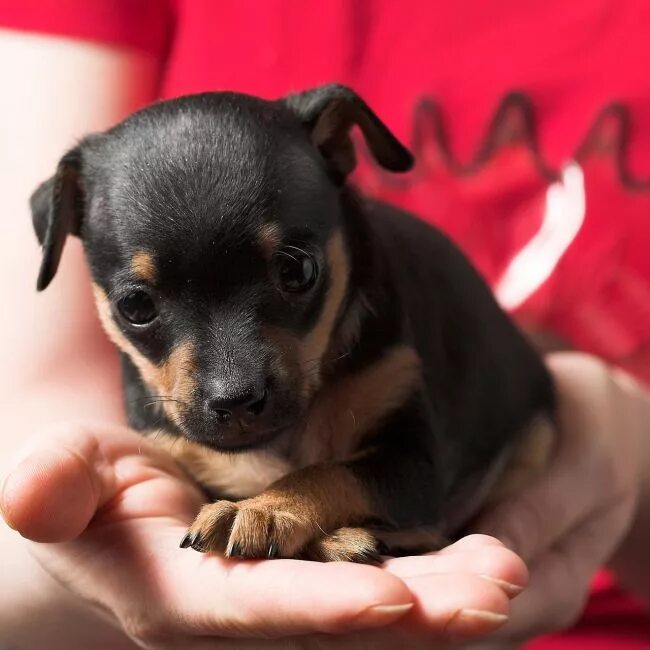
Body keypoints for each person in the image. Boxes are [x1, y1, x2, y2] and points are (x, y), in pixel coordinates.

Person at [1, 2, 649, 648]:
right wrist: (73, 574)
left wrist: (637, 474)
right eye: (141, 307)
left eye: (291, 274)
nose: (230, 383)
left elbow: (413, 479)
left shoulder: (381, 327)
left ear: (339, 147)